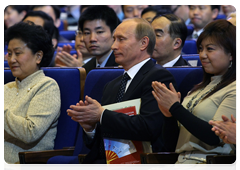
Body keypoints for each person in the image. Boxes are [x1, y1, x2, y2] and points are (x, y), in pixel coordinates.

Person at [67, 18, 178, 170]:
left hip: (140, 164)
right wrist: (90, 128)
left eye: (121, 39)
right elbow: (100, 142)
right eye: (114, 40)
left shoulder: (158, 77)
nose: (113, 46)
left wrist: (102, 115)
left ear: (143, 43)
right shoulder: (112, 85)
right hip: (103, 163)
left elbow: (149, 128)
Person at [152, 19, 238, 169]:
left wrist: (175, 108)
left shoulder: (235, 88)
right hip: (179, 163)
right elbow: (171, 144)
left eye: (210, 49)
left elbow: (213, 137)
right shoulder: (198, 88)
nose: (202, 55)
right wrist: (169, 116)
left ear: (231, 54)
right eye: (200, 49)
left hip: (209, 163)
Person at [4, 21, 61, 170]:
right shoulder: (5, 88)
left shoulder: (47, 86)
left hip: (21, 165)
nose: (11, 59)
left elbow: (31, 132)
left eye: (18, 53)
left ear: (38, 56)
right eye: (9, 53)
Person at [78, 5, 120, 74]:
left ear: (114, 33)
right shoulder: (86, 69)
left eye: (99, 32)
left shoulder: (122, 67)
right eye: (87, 33)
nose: (92, 39)